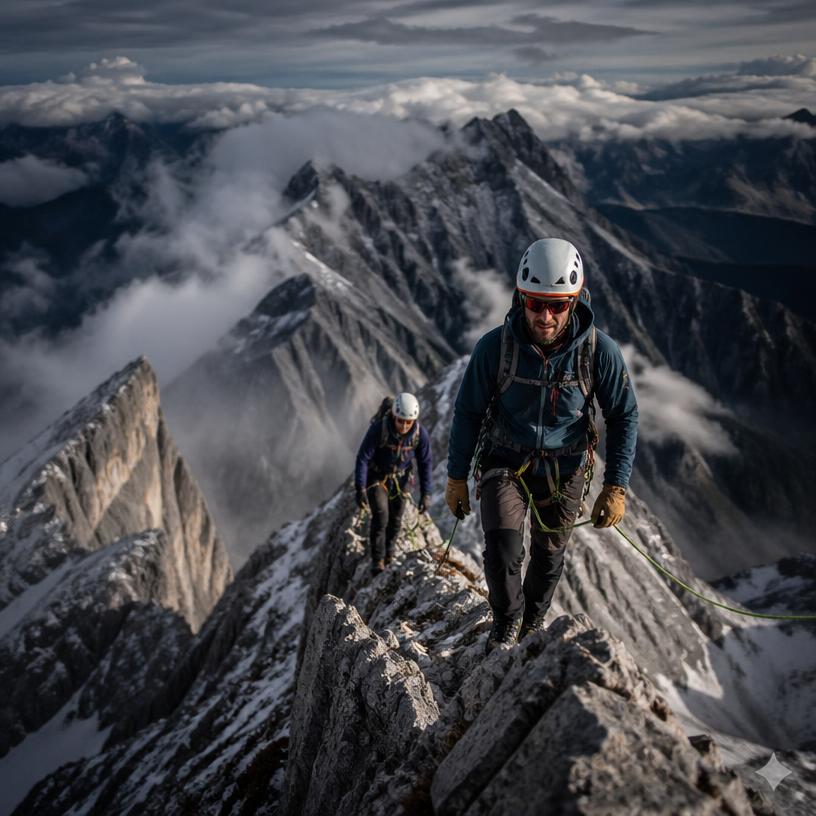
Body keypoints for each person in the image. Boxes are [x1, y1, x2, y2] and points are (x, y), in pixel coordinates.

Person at [446, 238, 638, 654]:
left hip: (565, 468)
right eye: (535, 303)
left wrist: (615, 486)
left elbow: (623, 415)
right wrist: (456, 477)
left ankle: (533, 622)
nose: (545, 316)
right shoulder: (494, 349)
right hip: (505, 460)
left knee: (549, 558)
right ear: (521, 298)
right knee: (502, 550)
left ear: (575, 300)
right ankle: (506, 623)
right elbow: (468, 413)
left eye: (557, 305)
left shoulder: (597, 352)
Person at [355, 392, 433, 574]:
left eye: (408, 422)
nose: (404, 426)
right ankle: (377, 561)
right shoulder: (378, 429)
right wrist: (360, 488)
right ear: (393, 416)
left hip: (401, 478)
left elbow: (425, 463)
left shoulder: (420, 435)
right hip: (377, 477)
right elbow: (363, 458)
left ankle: (389, 555)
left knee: (396, 519)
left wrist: (426, 493)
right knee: (381, 516)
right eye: (400, 421)